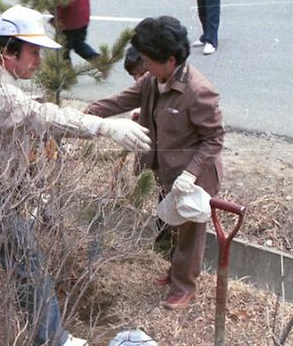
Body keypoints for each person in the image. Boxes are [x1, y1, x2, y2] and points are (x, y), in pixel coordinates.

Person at [0, 4, 151, 346]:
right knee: (27, 261)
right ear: (8, 52)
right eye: (33, 52)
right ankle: (50, 339)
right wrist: (107, 126)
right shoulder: (2, 95)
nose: (38, 61)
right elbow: (44, 116)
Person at [84, 16, 224, 309]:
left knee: (189, 232)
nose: (143, 66)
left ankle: (184, 286)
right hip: (165, 169)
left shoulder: (198, 92)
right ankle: (175, 271)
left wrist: (190, 175)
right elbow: (119, 101)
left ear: (170, 60)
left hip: (193, 175)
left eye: (148, 60)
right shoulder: (153, 80)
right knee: (171, 224)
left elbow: (213, 139)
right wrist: (87, 116)